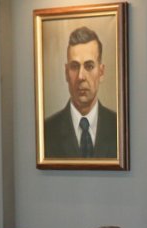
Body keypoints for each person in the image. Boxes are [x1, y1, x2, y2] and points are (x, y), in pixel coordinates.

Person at [43, 26, 117, 158]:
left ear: (101, 72)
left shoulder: (118, 127)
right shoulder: (47, 131)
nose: (81, 76)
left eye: (89, 66)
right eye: (74, 66)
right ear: (66, 73)